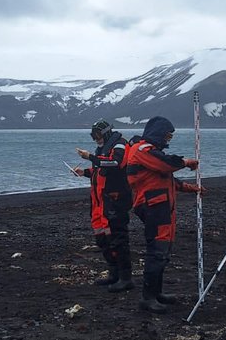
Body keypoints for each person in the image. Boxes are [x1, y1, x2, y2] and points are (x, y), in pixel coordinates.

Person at [125, 116, 201, 313]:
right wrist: (185, 162)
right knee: (157, 251)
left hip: (162, 206)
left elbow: (166, 178)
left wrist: (191, 188)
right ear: (158, 133)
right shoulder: (142, 150)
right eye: (167, 135)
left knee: (163, 251)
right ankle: (147, 297)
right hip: (152, 205)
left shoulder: (152, 153)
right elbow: (166, 164)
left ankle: (156, 293)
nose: (168, 139)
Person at [74, 118, 134, 292]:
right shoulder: (103, 149)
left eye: (98, 135)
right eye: (93, 135)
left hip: (115, 199)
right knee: (102, 238)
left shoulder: (120, 145)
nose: (96, 139)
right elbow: (101, 170)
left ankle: (125, 277)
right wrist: (84, 172)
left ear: (106, 132)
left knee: (118, 238)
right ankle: (113, 272)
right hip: (99, 201)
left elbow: (115, 163)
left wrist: (90, 157)